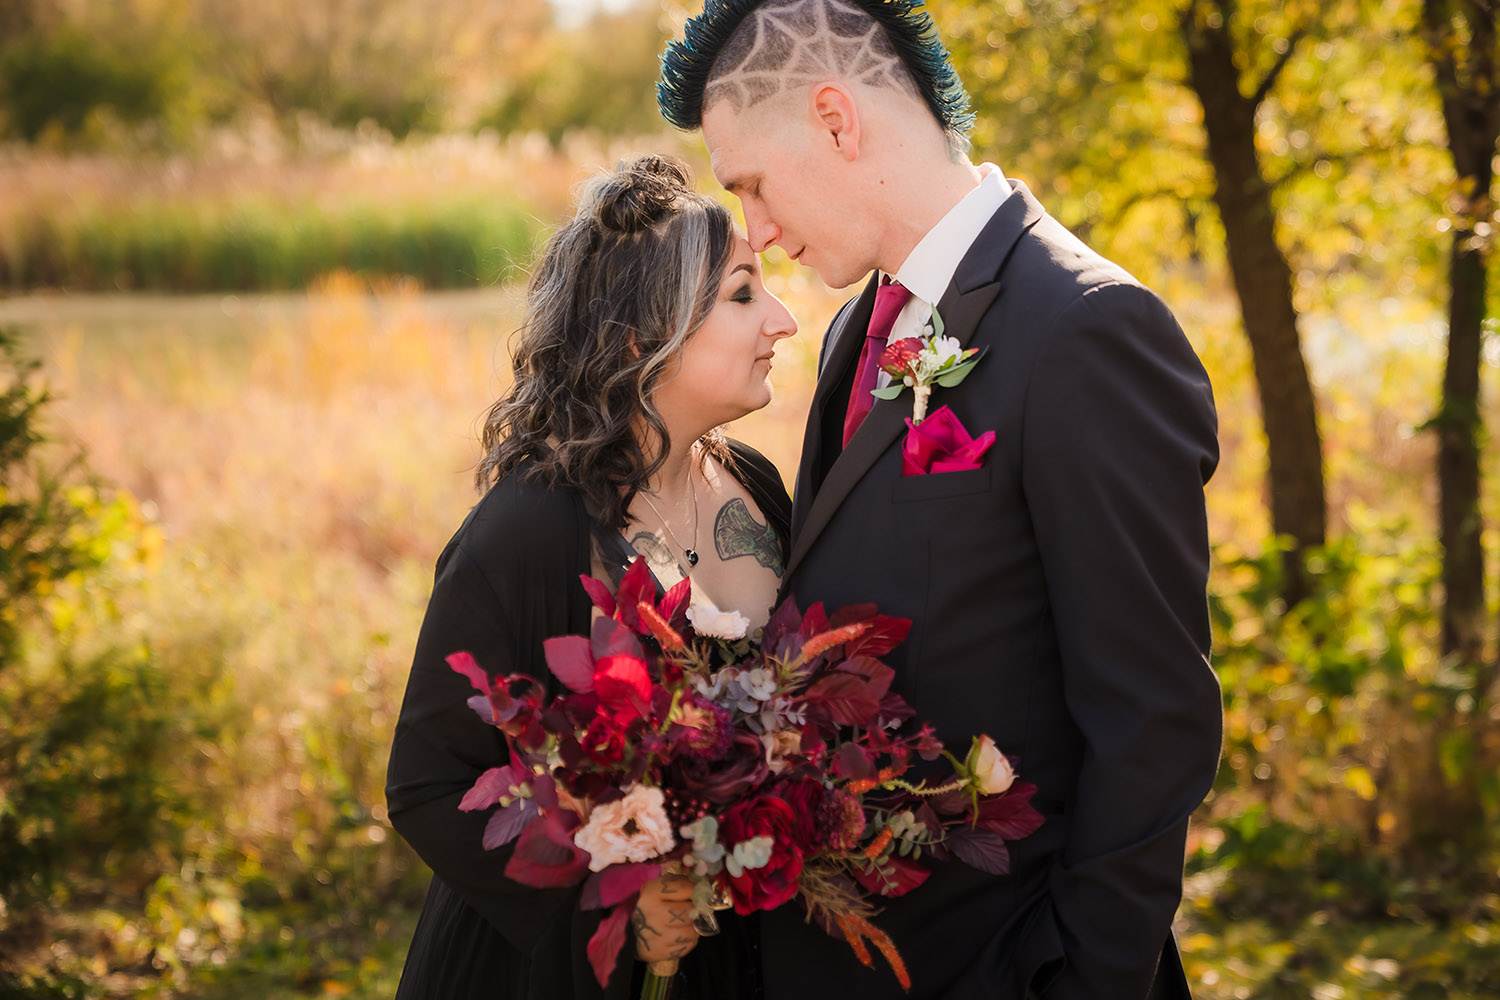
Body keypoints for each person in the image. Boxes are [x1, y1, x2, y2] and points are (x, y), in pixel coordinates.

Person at [658, 2, 1222, 998]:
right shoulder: (851, 338)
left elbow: (1154, 719)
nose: (758, 230)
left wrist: (1073, 978)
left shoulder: (1086, 329)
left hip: (1003, 960)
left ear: (836, 119)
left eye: (751, 185)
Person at [385, 154, 797, 999]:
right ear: (645, 339)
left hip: (729, 951)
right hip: (553, 969)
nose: (784, 321)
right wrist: (614, 898)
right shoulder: (527, 532)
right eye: (745, 293)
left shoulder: (757, 485)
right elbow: (429, 785)